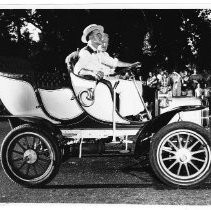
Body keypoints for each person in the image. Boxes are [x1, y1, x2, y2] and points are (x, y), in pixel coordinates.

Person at [73, 24, 143, 118]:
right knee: (128, 86)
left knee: (133, 84)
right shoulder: (86, 52)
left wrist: (131, 65)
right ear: (91, 37)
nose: (101, 37)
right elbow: (77, 70)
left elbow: (114, 63)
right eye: (98, 34)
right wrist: (92, 73)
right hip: (94, 85)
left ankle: (135, 114)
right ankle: (126, 116)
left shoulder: (98, 53)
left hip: (101, 83)